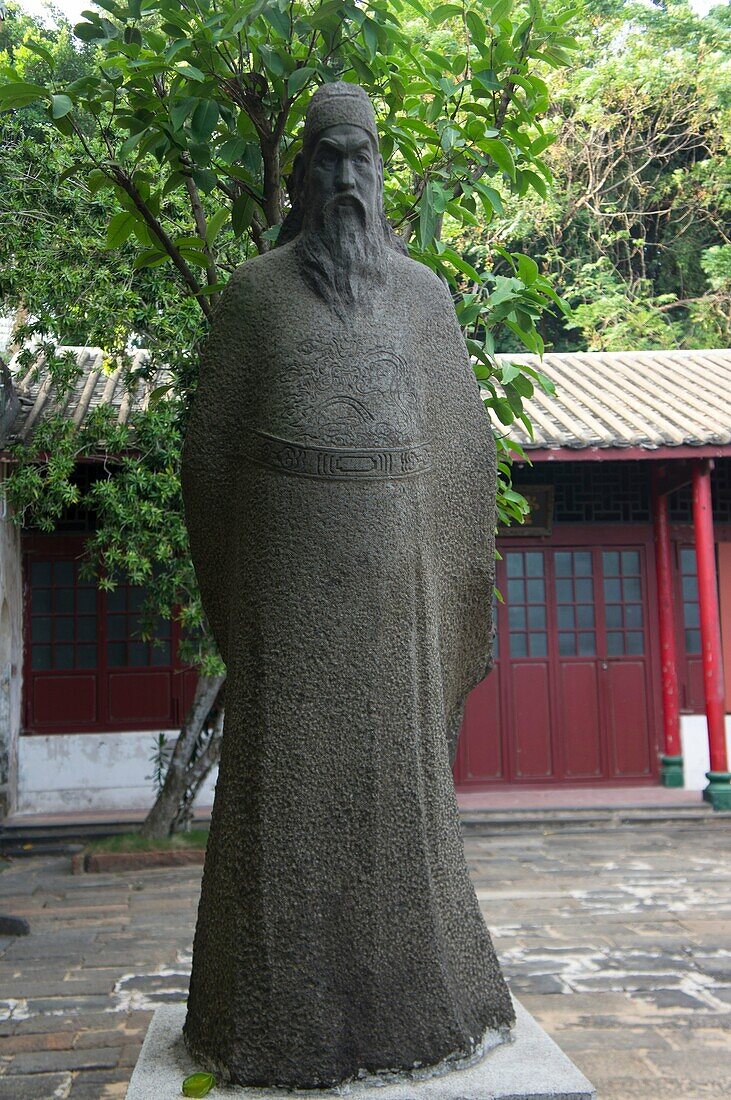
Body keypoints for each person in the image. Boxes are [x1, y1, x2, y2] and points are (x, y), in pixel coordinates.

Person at [181, 81, 514, 1089]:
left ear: (380, 173)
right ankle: (260, 1018)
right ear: (298, 175)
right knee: (280, 787)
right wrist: (246, 595)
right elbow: (207, 457)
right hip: (287, 584)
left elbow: (461, 451)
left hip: (396, 585)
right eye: (324, 156)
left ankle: (428, 1001)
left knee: (399, 787)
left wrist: (445, 577)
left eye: (359, 157)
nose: (342, 178)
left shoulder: (425, 299)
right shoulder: (252, 295)